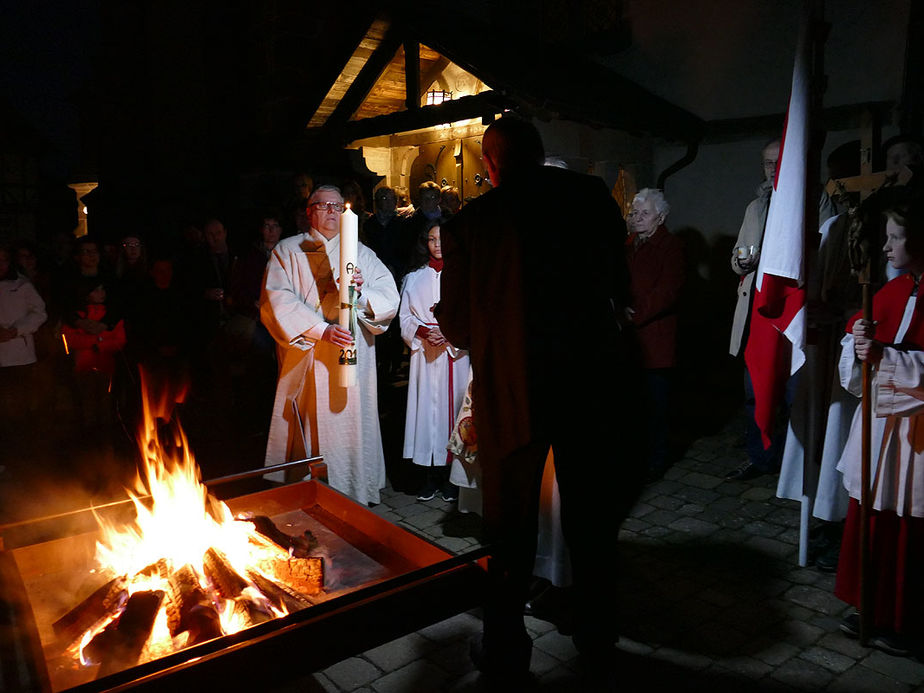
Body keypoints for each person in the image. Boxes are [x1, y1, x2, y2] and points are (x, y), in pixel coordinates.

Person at [437, 115, 643, 679]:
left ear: (490, 165)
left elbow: (455, 324)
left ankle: (506, 650)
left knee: (508, 529)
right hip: (586, 385)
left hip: (512, 391)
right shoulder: (588, 196)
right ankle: (598, 635)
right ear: (540, 152)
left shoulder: (471, 224)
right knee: (593, 519)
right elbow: (616, 281)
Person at [261, 185, 399, 506]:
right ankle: (311, 496)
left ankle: (354, 491)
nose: (332, 212)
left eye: (338, 207)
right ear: (309, 211)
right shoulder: (289, 250)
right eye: (323, 206)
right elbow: (276, 300)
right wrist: (321, 330)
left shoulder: (361, 253)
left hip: (352, 357)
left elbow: (389, 297)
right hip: (311, 358)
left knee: (351, 422)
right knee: (313, 425)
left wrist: (359, 297)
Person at [834, 191, 924, 656]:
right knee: (877, 516)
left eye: (895, 238)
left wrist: (888, 358)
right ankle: (873, 605)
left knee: (910, 527)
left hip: (917, 437)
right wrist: (859, 339)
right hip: (883, 432)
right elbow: (860, 364)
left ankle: (908, 621)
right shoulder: (896, 288)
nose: (885, 248)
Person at [727, 138, 835, 480]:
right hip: (758, 314)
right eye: (766, 163)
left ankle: (797, 468)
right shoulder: (754, 207)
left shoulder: (815, 202)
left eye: (778, 162)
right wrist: (745, 263)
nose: (772, 169)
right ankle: (761, 459)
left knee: (794, 394)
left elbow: (827, 254)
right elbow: (736, 257)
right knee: (755, 390)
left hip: (793, 314)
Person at [399, 219, 469, 502]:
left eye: (441, 239)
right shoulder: (414, 278)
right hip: (426, 356)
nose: (437, 245)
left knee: (453, 413)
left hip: (455, 354)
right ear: (424, 243)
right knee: (426, 415)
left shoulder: (464, 276)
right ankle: (430, 477)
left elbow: (471, 315)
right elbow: (404, 316)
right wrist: (424, 331)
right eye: (431, 239)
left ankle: (453, 480)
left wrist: (448, 332)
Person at [625, 188, 685, 481]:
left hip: (655, 340)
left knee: (656, 406)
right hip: (631, 341)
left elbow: (667, 292)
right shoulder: (630, 244)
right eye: (634, 213)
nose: (637, 218)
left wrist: (634, 314)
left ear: (660, 218)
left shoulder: (670, 247)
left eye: (644, 213)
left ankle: (656, 459)